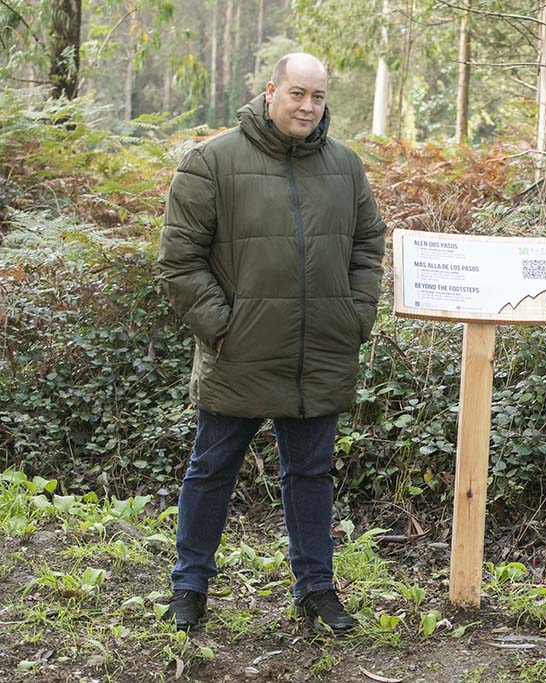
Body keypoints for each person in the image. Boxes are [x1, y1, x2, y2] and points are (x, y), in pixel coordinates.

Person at [157, 53, 386, 633]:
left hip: (321, 351)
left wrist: (355, 315)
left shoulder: (344, 166)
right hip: (240, 352)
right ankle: (189, 588)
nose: (308, 106)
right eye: (297, 94)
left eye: (318, 97)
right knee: (211, 470)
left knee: (310, 474)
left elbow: (367, 246)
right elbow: (181, 260)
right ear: (270, 91)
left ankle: (316, 590)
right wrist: (224, 328)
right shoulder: (212, 161)